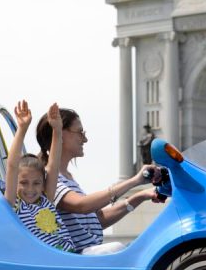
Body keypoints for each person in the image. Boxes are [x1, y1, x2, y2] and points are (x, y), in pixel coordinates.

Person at [36, 108, 160, 255]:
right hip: (76, 259)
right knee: (120, 249)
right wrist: (134, 181)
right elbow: (82, 205)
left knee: (148, 247)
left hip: (89, 253)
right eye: (80, 132)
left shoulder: (67, 177)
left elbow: (97, 220)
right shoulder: (48, 177)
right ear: (61, 133)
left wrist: (141, 196)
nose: (85, 139)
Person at [4, 100, 76, 253]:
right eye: (23, 182)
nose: (30, 188)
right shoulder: (13, 204)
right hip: (44, 260)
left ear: (43, 185)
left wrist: (57, 130)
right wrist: (22, 128)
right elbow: (11, 165)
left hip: (68, 257)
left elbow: (53, 165)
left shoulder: (45, 199)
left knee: (113, 248)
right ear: (14, 183)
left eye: (36, 183)